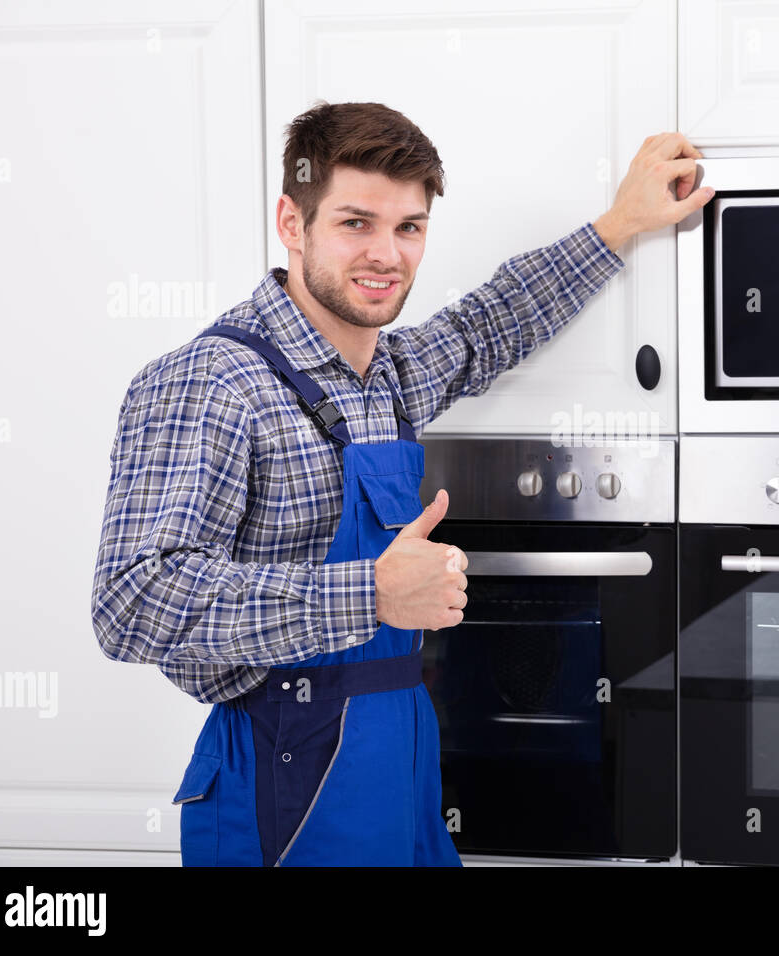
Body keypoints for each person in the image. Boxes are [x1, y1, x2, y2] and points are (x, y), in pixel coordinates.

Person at [89, 100, 714, 867]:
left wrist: (621, 224)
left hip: (402, 774)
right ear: (293, 222)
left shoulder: (385, 375)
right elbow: (132, 601)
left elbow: (492, 324)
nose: (387, 254)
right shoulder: (211, 382)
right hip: (284, 792)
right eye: (356, 223)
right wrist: (370, 596)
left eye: (408, 227)